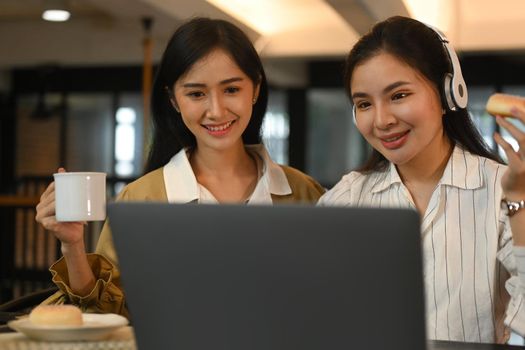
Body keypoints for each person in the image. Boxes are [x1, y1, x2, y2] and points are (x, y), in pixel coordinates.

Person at [35, 17, 324, 318]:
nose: (216, 110)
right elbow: (109, 315)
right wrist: (73, 245)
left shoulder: (304, 192)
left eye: (231, 90)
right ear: (173, 100)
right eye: (196, 94)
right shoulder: (142, 198)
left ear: (255, 88)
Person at [318, 16, 525, 343]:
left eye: (398, 96)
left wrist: (519, 202)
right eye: (364, 104)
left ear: (448, 94)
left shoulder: (504, 190)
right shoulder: (344, 199)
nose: (382, 120)